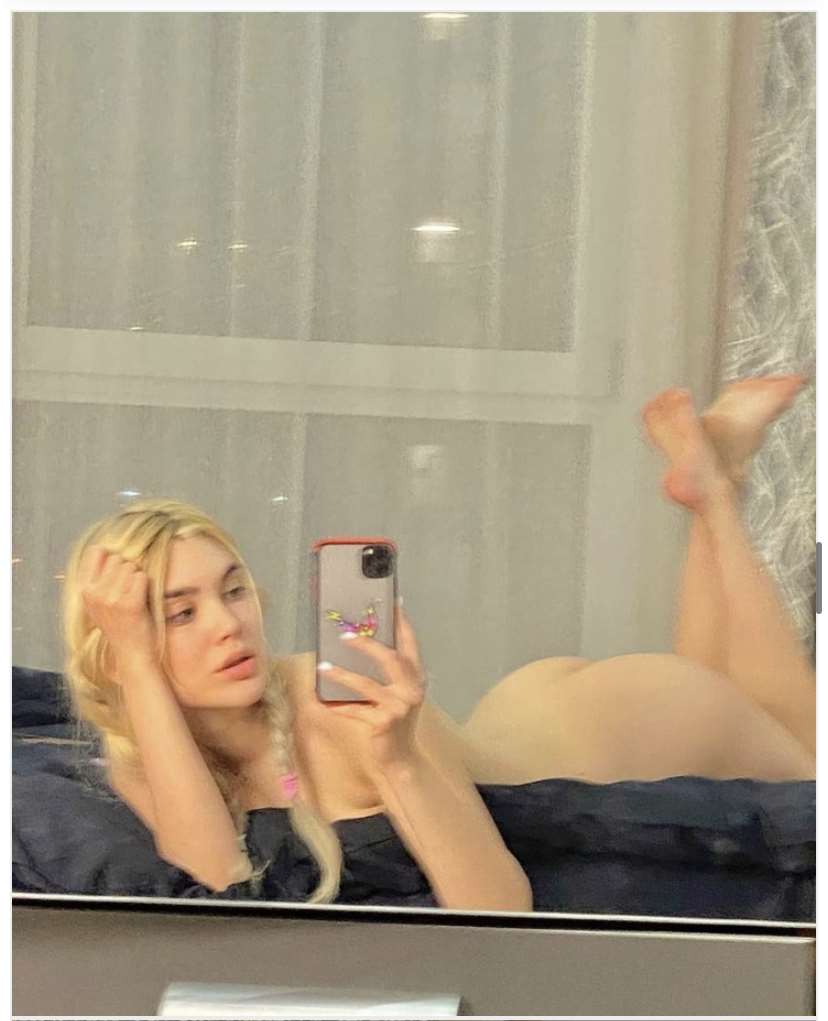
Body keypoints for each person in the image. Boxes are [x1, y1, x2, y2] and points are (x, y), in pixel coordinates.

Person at [61, 375, 815, 912]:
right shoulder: (146, 755)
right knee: (729, 688)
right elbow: (212, 881)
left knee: (809, 754)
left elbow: (499, 908)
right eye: (179, 614)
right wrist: (135, 662)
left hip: (617, 729)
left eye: (233, 590)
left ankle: (717, 495)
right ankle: (713, 479)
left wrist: (394, 754)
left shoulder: (329, 698)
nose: (228, 624)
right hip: (531, 714)